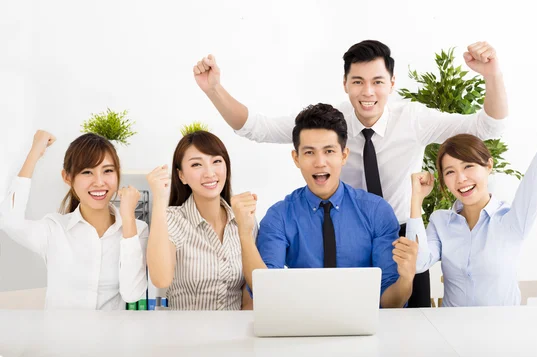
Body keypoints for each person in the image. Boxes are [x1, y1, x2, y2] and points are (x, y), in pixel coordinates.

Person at [193, 39, 508, 307]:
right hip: (347, 233)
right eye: (358, 81)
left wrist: (492, 76)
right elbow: (255, 128)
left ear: (392, 83)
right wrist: (214, 89)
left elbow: (488, 127)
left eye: (378, 81)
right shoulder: (329, 125)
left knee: (410, 324)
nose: (367, 91)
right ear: (345, 84)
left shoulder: (412, 118)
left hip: (400, 232)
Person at [405, 69, 537, 306]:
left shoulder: (512, 220)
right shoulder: (440, 222)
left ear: (488, 165)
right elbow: (418, 262)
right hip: (452, 334)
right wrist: (415, 201)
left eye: (469, 166)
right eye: (450, 172)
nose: (461, 179)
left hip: (503, 334)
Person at [232, 103, 418, 308]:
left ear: (344, 155)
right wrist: (244, 233)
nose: (320, 162)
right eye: (309, 152)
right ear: (296, 158)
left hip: (364, 328)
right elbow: (266, 290)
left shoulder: (376, 211)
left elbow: (390, 303)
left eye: (329, 151)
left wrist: (406, 279)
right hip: (303, 325)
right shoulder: (280, 215)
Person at [0, 131, 148, 310]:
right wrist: (35, 152)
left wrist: (128, 218)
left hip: (111, 337)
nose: (99, 182)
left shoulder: (136, 229)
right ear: (67, 178)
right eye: (87, 172)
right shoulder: (54, 230)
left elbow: (133, 294)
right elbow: (9, 220)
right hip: (61, 337)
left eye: (108, 171)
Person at [146, 130, 253, 310]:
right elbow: (161, 279)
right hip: (186, 334)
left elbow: (250, 292)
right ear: (181, 176)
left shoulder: (243, 218)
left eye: (217, 161)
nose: (209, 173)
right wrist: (159, 198)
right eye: (196, 165)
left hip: (234, 332)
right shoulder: (172, 220)